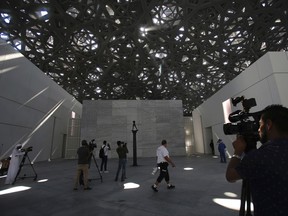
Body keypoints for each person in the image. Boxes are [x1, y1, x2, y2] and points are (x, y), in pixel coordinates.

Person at [226, 104, 288, 216]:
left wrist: (238, 152)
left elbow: (230, 176)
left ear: (268, 125)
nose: (258, 130)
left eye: (259, 125)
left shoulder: (259, 157)